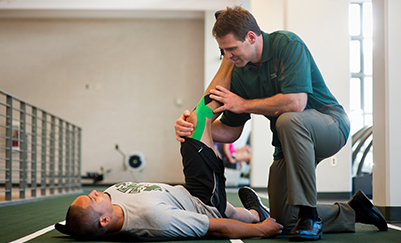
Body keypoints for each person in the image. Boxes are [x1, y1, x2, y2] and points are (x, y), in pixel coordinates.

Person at [175, 5, 388, 241]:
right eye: (223, 51)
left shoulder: (286, 44)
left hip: (330, 125)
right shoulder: (239, 71)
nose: (228, 56)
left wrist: (243, 104)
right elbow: (230, 131)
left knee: (288, 120)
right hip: (288, 142)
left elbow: (297, 103)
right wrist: (195, 126)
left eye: (232, 49)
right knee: (283, 221)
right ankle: (353, 210)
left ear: (251, 37)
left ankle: (309, 215)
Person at [55, 56, 283, 240]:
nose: (94, 192)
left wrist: (257, 220)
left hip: (187, 194)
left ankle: (255, 214)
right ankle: (228, 59)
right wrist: (262, 230)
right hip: (204, 201)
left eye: (89, 195)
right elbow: (216, 227)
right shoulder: (154, 219)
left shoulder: (109, 198)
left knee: (229, 211)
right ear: (104, 221)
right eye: (92, 199)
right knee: (198, 119)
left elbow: (79, 222)